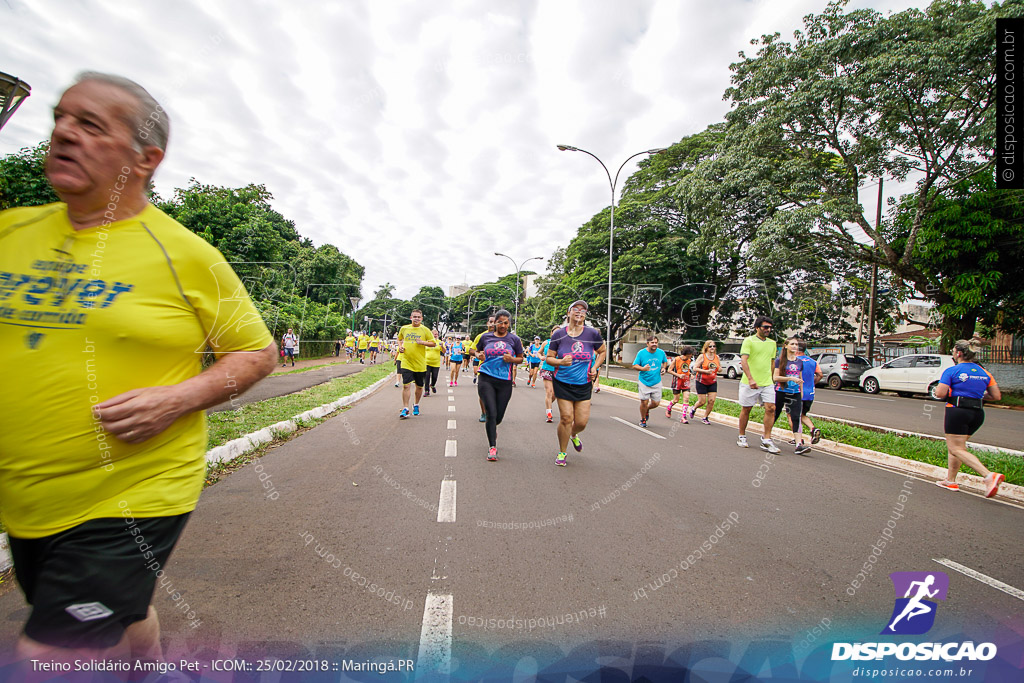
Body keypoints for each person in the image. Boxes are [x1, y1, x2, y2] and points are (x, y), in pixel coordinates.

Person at [0, 72, 277, 666]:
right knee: (120, 614)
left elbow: (257, 354)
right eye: (60, 118)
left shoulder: (187, 256)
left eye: (90, 125)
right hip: (29, 492)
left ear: (146, 158)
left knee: (49, 653)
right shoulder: (10, 231)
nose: (63, 134)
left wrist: (177, 399)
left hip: (134, 491)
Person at [933, 340, 1004, 498]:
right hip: (977, 413)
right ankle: (950, 480)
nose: (952, 352)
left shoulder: (952, 371)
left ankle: (988, 476)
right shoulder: (984, 372)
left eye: (953, 350)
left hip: (957, 411)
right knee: (957, 447)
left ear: (958, 353)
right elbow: (996, 396)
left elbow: (940, 393)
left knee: (956, 448)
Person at [547, 301, 605, 466]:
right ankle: (562, 452)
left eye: (583, 310)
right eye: (576, 309)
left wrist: (594, 367)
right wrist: (561, 362)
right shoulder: (558, 335)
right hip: (563, 381)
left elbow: (602, 352)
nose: (579, 312)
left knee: (581, 422)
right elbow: (550, 358)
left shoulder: (592, 334)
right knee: (566, 417)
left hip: (584, 383)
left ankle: (573, 434)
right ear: (569, 312)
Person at [474, 309, 524, 461]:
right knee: (491, 413)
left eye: (506, 323)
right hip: (486, 377)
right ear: (495, 322)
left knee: (498, 417)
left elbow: (521, 358)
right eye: (500, 322)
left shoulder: (514, 340)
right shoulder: (485, 337)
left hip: (504, 380)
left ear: (509, 324)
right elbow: (475, 351)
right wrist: (478, 355)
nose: (503, 325)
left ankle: (492, 427)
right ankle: (492, 447)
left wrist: (512, 359)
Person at [737, 316, 780, 453]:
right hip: (749, 382)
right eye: (765, 327)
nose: (768, 330)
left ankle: (766, 439)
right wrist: (750, 378)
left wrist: (772, 378)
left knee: (771, 408)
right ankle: (742, 435)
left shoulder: (772, 343)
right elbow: (744, 361)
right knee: (747, 409)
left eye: (769, 328)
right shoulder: (748, 341)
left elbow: (772, 361)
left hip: (767, 382)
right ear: (757, 328)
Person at [772, 337, 809, 454]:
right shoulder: (780, 361)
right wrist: (790, 378)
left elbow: (800, 378)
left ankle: (798, 445)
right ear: (786, 346)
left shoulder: (800, 362)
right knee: (774, 414)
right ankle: (766, 436)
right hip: (781, 391)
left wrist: (801, 393)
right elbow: (775, 377)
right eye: (792, 344)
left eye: (796, 344)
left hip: (795, 393)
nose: (795, 346)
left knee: (795, 417)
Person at [396, 310, 436, 418]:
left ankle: (416, 405)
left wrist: (423, 342)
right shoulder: (404, 328)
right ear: (411, 317)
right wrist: (400, 347)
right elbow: (399, 339)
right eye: (414, 317)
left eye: (418, 317)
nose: (416, 319)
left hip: (420, 363)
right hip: (406, 361)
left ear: (421, 318)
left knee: (419, 387)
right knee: (406, 385)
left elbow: (433, 343)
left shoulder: (425, 330)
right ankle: (405, 408)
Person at [631, 335, 668, 428]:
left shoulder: (661, 353)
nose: (654, 344)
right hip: (644, 381)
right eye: (652, 343)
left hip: (656, 382)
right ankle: (643, 419)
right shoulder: (641, 353)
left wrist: (663, 368)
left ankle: (646, 409)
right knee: (644, 402)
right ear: (647, 344)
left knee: (656, 403)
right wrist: (643, 368)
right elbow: (634, 365)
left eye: (656, 342)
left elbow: (665, 362)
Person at [795, 341, 823, 444]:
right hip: (810, 394)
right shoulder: (813, 362)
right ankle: (813, 429)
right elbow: (820, 375)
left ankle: (798, 439)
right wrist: (812, 383)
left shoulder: (795, 361)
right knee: (802, 414)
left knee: (793, 415)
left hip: (798, 392)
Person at [689, 341, 719, 425]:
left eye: (714, 346)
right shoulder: (702, 357)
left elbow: (719, 368)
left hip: (712, 381)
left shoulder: (717, 357)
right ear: (706, 347)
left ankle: (705, 417)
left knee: (712, 400)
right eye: (710, 346)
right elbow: (695, 368)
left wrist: (719, 369)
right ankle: (694, 408)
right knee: (702, 402)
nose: (712, 348)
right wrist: (705, 371)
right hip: (701, 381)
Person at [472, 316, 496, 419]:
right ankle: (484, 413)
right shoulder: (481, 336)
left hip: (498, 369)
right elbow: (471, 350)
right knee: (483, 392)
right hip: (484, 368)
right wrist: (478, 355)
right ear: (487, 323)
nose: (492, 324)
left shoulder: (503, 337)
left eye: (495, 322)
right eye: (490, 322)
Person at [666, 345, 695, 423]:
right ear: (687, 353)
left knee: (686, 398)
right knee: (676, 399)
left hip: (686, 382)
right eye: (690, 354)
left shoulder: (689, 360)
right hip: (677, 382)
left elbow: (687, 370)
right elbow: (669, 370)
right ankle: (669, 407)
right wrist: (678, 375)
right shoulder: (677, 359)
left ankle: (684, 417)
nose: (691, 356)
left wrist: (690, 374)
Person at [539, 327, 560, 422]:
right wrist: (541, 357)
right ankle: (549, 413)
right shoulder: (546, 343)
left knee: (555, 394)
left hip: (558, 370)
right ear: (551, 334)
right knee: (549, 391)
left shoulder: (563, 344)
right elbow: (539, 352)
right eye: (555, 333)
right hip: (547, 369)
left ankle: (548, 405)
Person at [423, 328, 443, 396]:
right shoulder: (427, 342)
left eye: (436, 334)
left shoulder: (439, 342)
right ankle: (426, 390)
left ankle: (433, 385)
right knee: (427, 376)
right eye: (434, 334)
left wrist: (442, 346)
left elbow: (444, 351)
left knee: (434, 377)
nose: (435, 335)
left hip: (436, 363)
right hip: (427, 362)